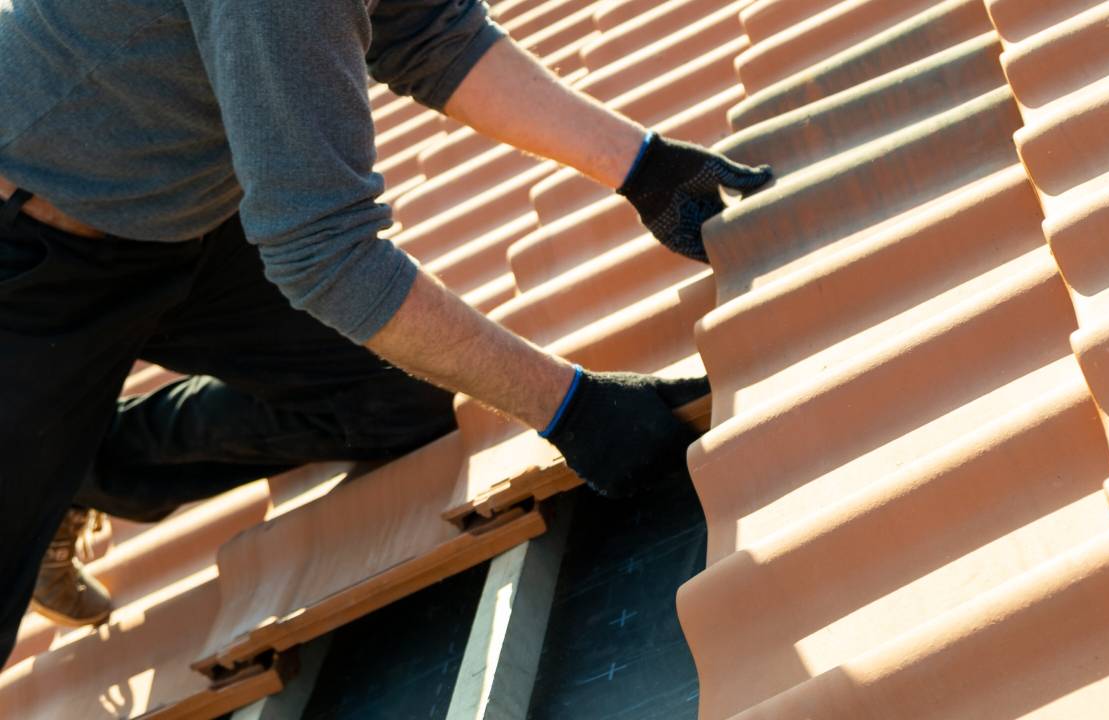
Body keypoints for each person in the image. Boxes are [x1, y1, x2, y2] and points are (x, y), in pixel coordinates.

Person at [0, 0, 772, 664]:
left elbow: (433, 34)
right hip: (26, 257)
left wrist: (643, 168)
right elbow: (325, 254)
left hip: (174, 208)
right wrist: (570, 407)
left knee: (402, 402)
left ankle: (88, 464)